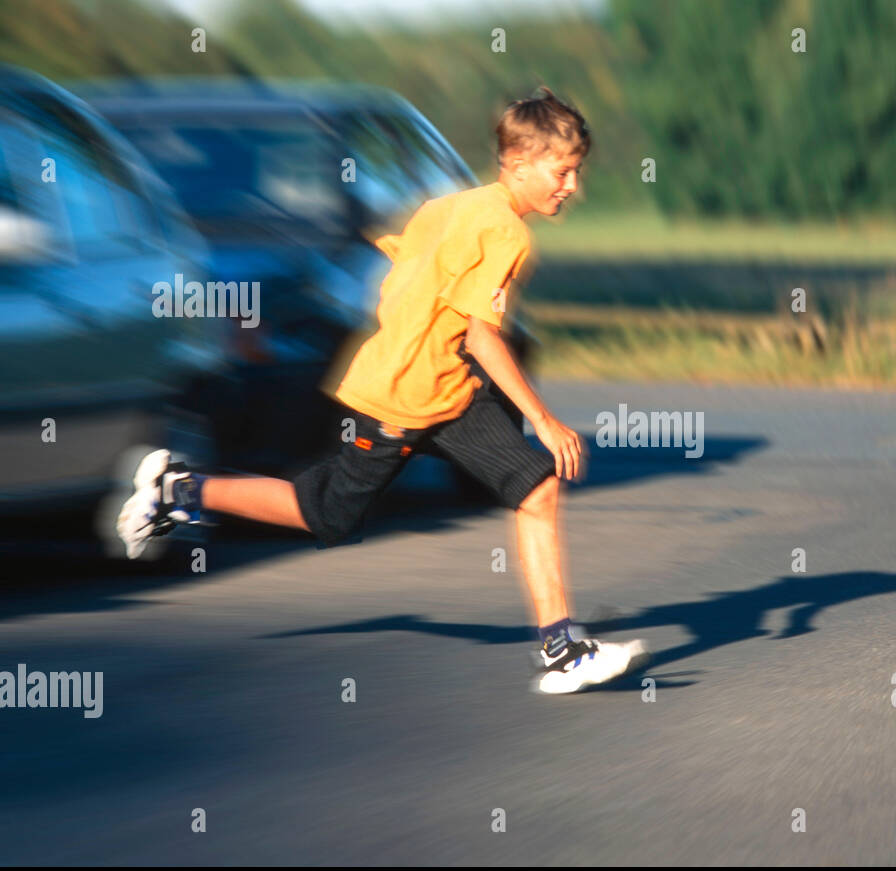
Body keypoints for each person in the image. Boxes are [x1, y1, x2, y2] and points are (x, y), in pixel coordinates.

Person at [116, 87, 643, 694]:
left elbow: (401, 269)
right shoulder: (507, 236)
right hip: (404, 396)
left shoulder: (449, 207)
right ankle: (179, 488)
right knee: (327, 515)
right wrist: (544, 420)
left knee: (536, 486)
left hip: (442, 387)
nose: (571, 186)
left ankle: (561, 649)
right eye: (563, 171)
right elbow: (483, 338)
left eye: (576, 172)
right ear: (520, 162)